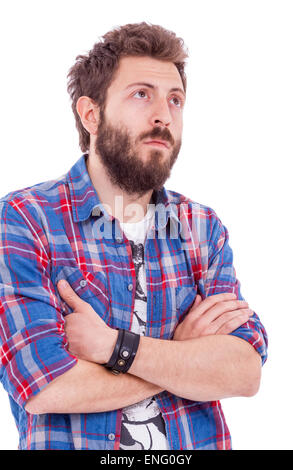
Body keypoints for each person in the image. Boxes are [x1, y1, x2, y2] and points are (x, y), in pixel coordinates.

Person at [0, 22, 267, 451]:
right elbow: (45, 386)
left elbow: (243, 371)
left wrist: (112, 347)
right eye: (141, 94)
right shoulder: (26, 220)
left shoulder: (202, 228)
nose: (164, 113)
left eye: (175, 99)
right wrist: (181, 356)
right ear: (91, 114)